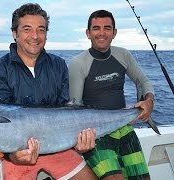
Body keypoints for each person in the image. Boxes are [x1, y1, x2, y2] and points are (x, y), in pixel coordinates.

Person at [0, 3, 97, 180]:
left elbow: (65, 111)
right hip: (17, 155)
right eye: (27, 29)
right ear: (15, 33)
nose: (35, 36)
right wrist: (13, 155)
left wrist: (79, 143)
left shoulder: (58, 65)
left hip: (58, 150)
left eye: (41, 30)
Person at [68, 9, 154, 180]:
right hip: (96, 134)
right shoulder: (78, 63)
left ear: (114, 33)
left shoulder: (123, 55)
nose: (102, 33)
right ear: (88, 33)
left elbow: (143, 82)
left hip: (124, 127)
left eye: (107, 28)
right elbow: (73, 109)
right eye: (96, 28)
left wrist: (149, 100)